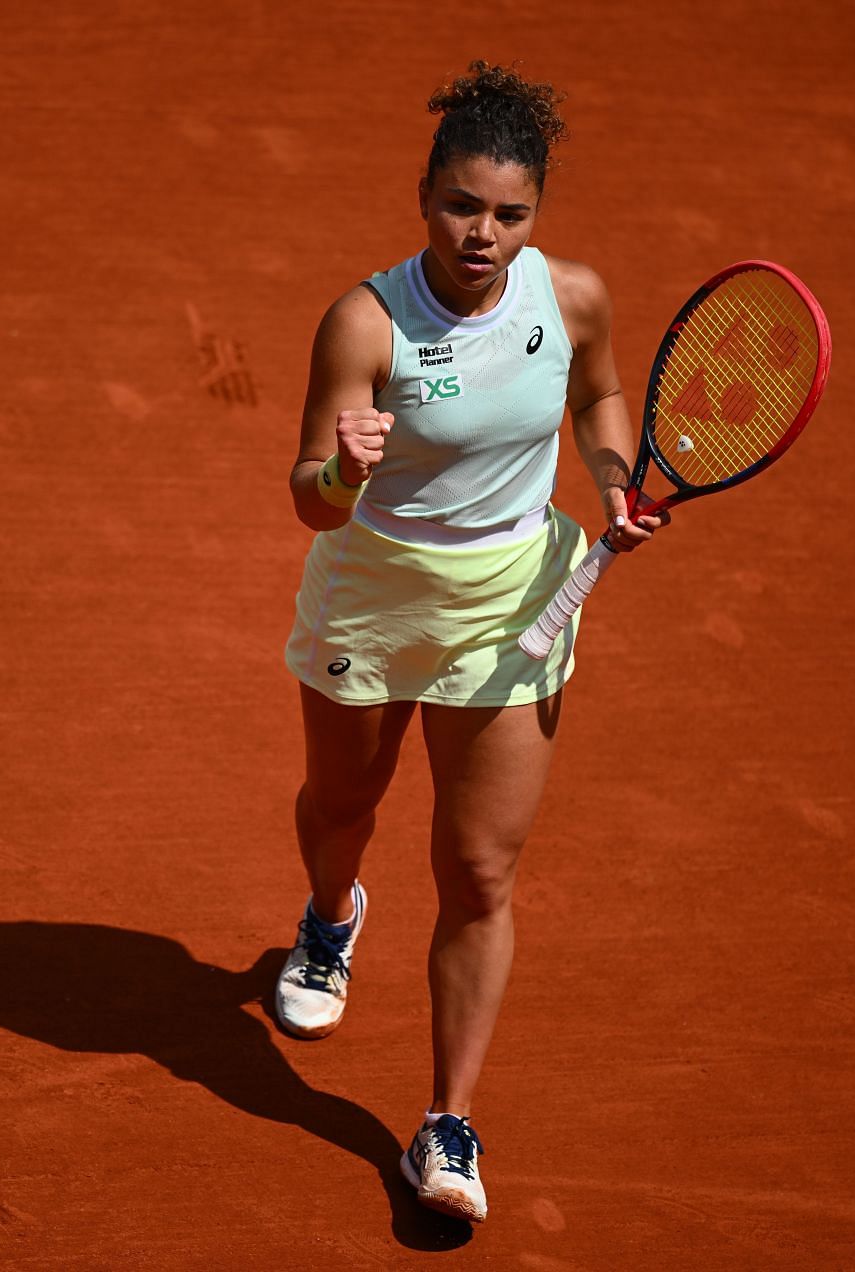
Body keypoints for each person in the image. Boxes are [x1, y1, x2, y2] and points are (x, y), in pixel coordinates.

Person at [275, 60, 666, 1225]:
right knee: (342, 804)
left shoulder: (572, 298)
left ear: (534, 213)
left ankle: (446, 1123)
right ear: (423, 196)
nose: (483, 234)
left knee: (481, 871)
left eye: (508, 213)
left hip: (515, 604)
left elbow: (598, 397)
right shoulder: (365, 320)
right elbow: (309, 497)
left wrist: (610, 478)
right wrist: (344, 464)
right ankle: (330, 916)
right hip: (374, 597)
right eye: (461, 206)